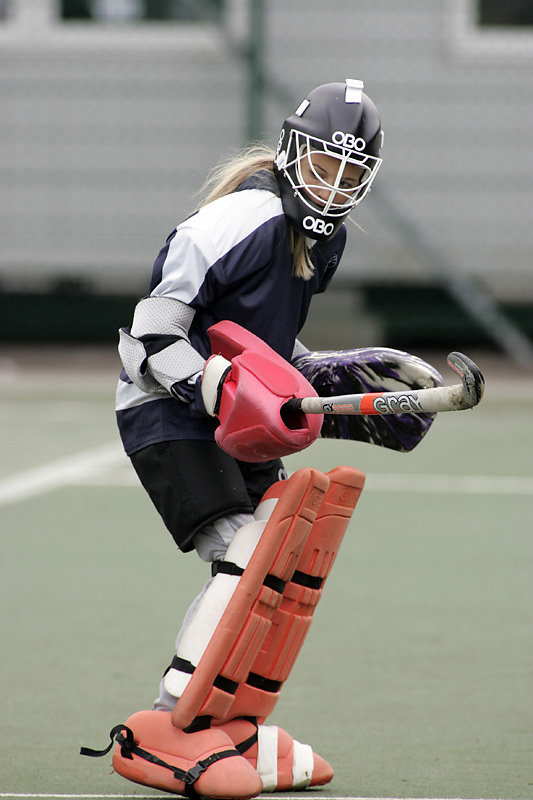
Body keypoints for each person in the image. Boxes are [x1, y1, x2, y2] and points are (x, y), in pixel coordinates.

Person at [83, 79, 442, 798]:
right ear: (288, 151)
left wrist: (318, 381)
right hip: (169, 411)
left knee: (279, 568)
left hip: (232, 424)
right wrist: (216, 388)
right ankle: (168, 728)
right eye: (320, 165)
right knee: (247, 559)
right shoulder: (238, 219)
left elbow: (264, 344)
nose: (333, 186)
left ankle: (235, 728)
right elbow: (152, 333)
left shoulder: (324, 242)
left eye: (350, 174)